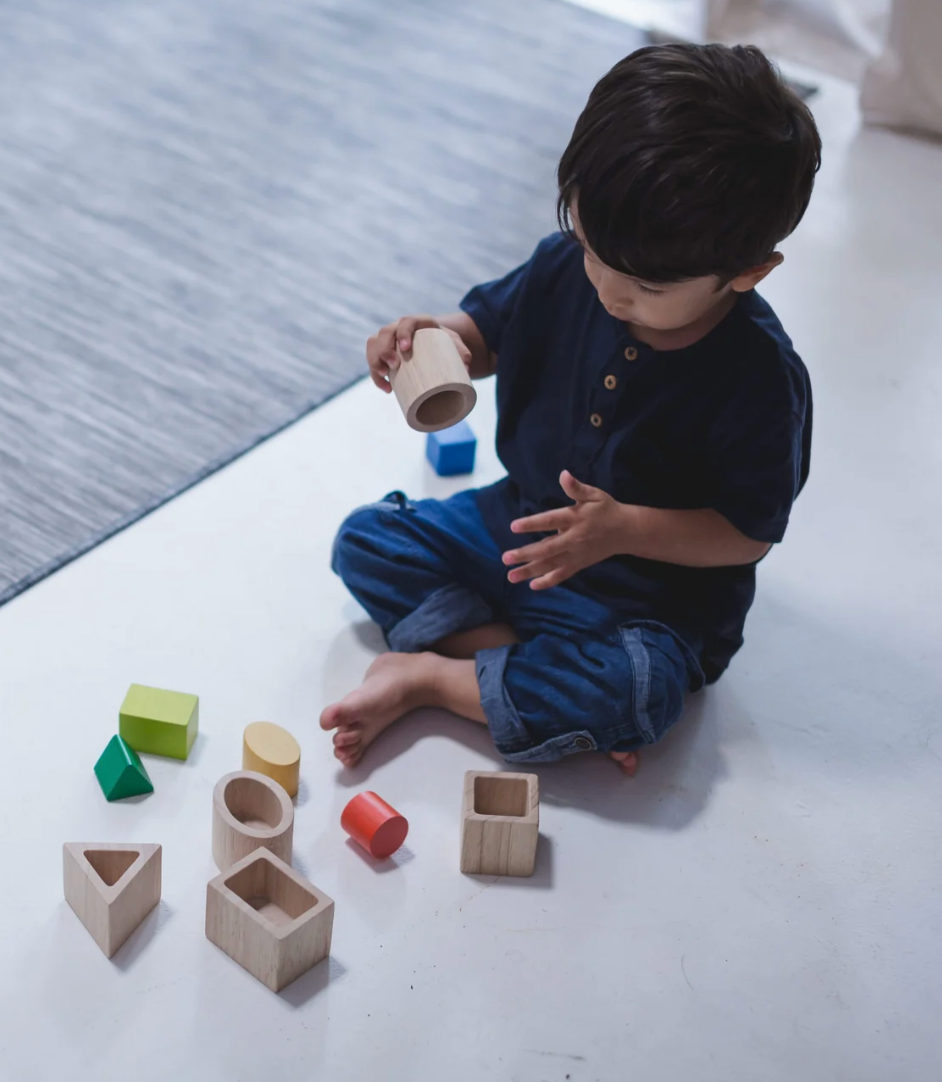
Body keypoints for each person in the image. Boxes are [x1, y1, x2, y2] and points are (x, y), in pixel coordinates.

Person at [320, 43, 821, 775]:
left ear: (747, 272)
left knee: (641, 693)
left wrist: (622, 530)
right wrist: (432, 341)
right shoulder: (566, 268)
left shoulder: (759, 379)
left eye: (647, 288)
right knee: (367, 542)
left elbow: (746, 534)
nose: (609, 292)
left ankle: (435, 678)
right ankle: (518, 675)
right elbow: (486, 332)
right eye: (591, 250)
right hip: (519, 525)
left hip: (643, 601)